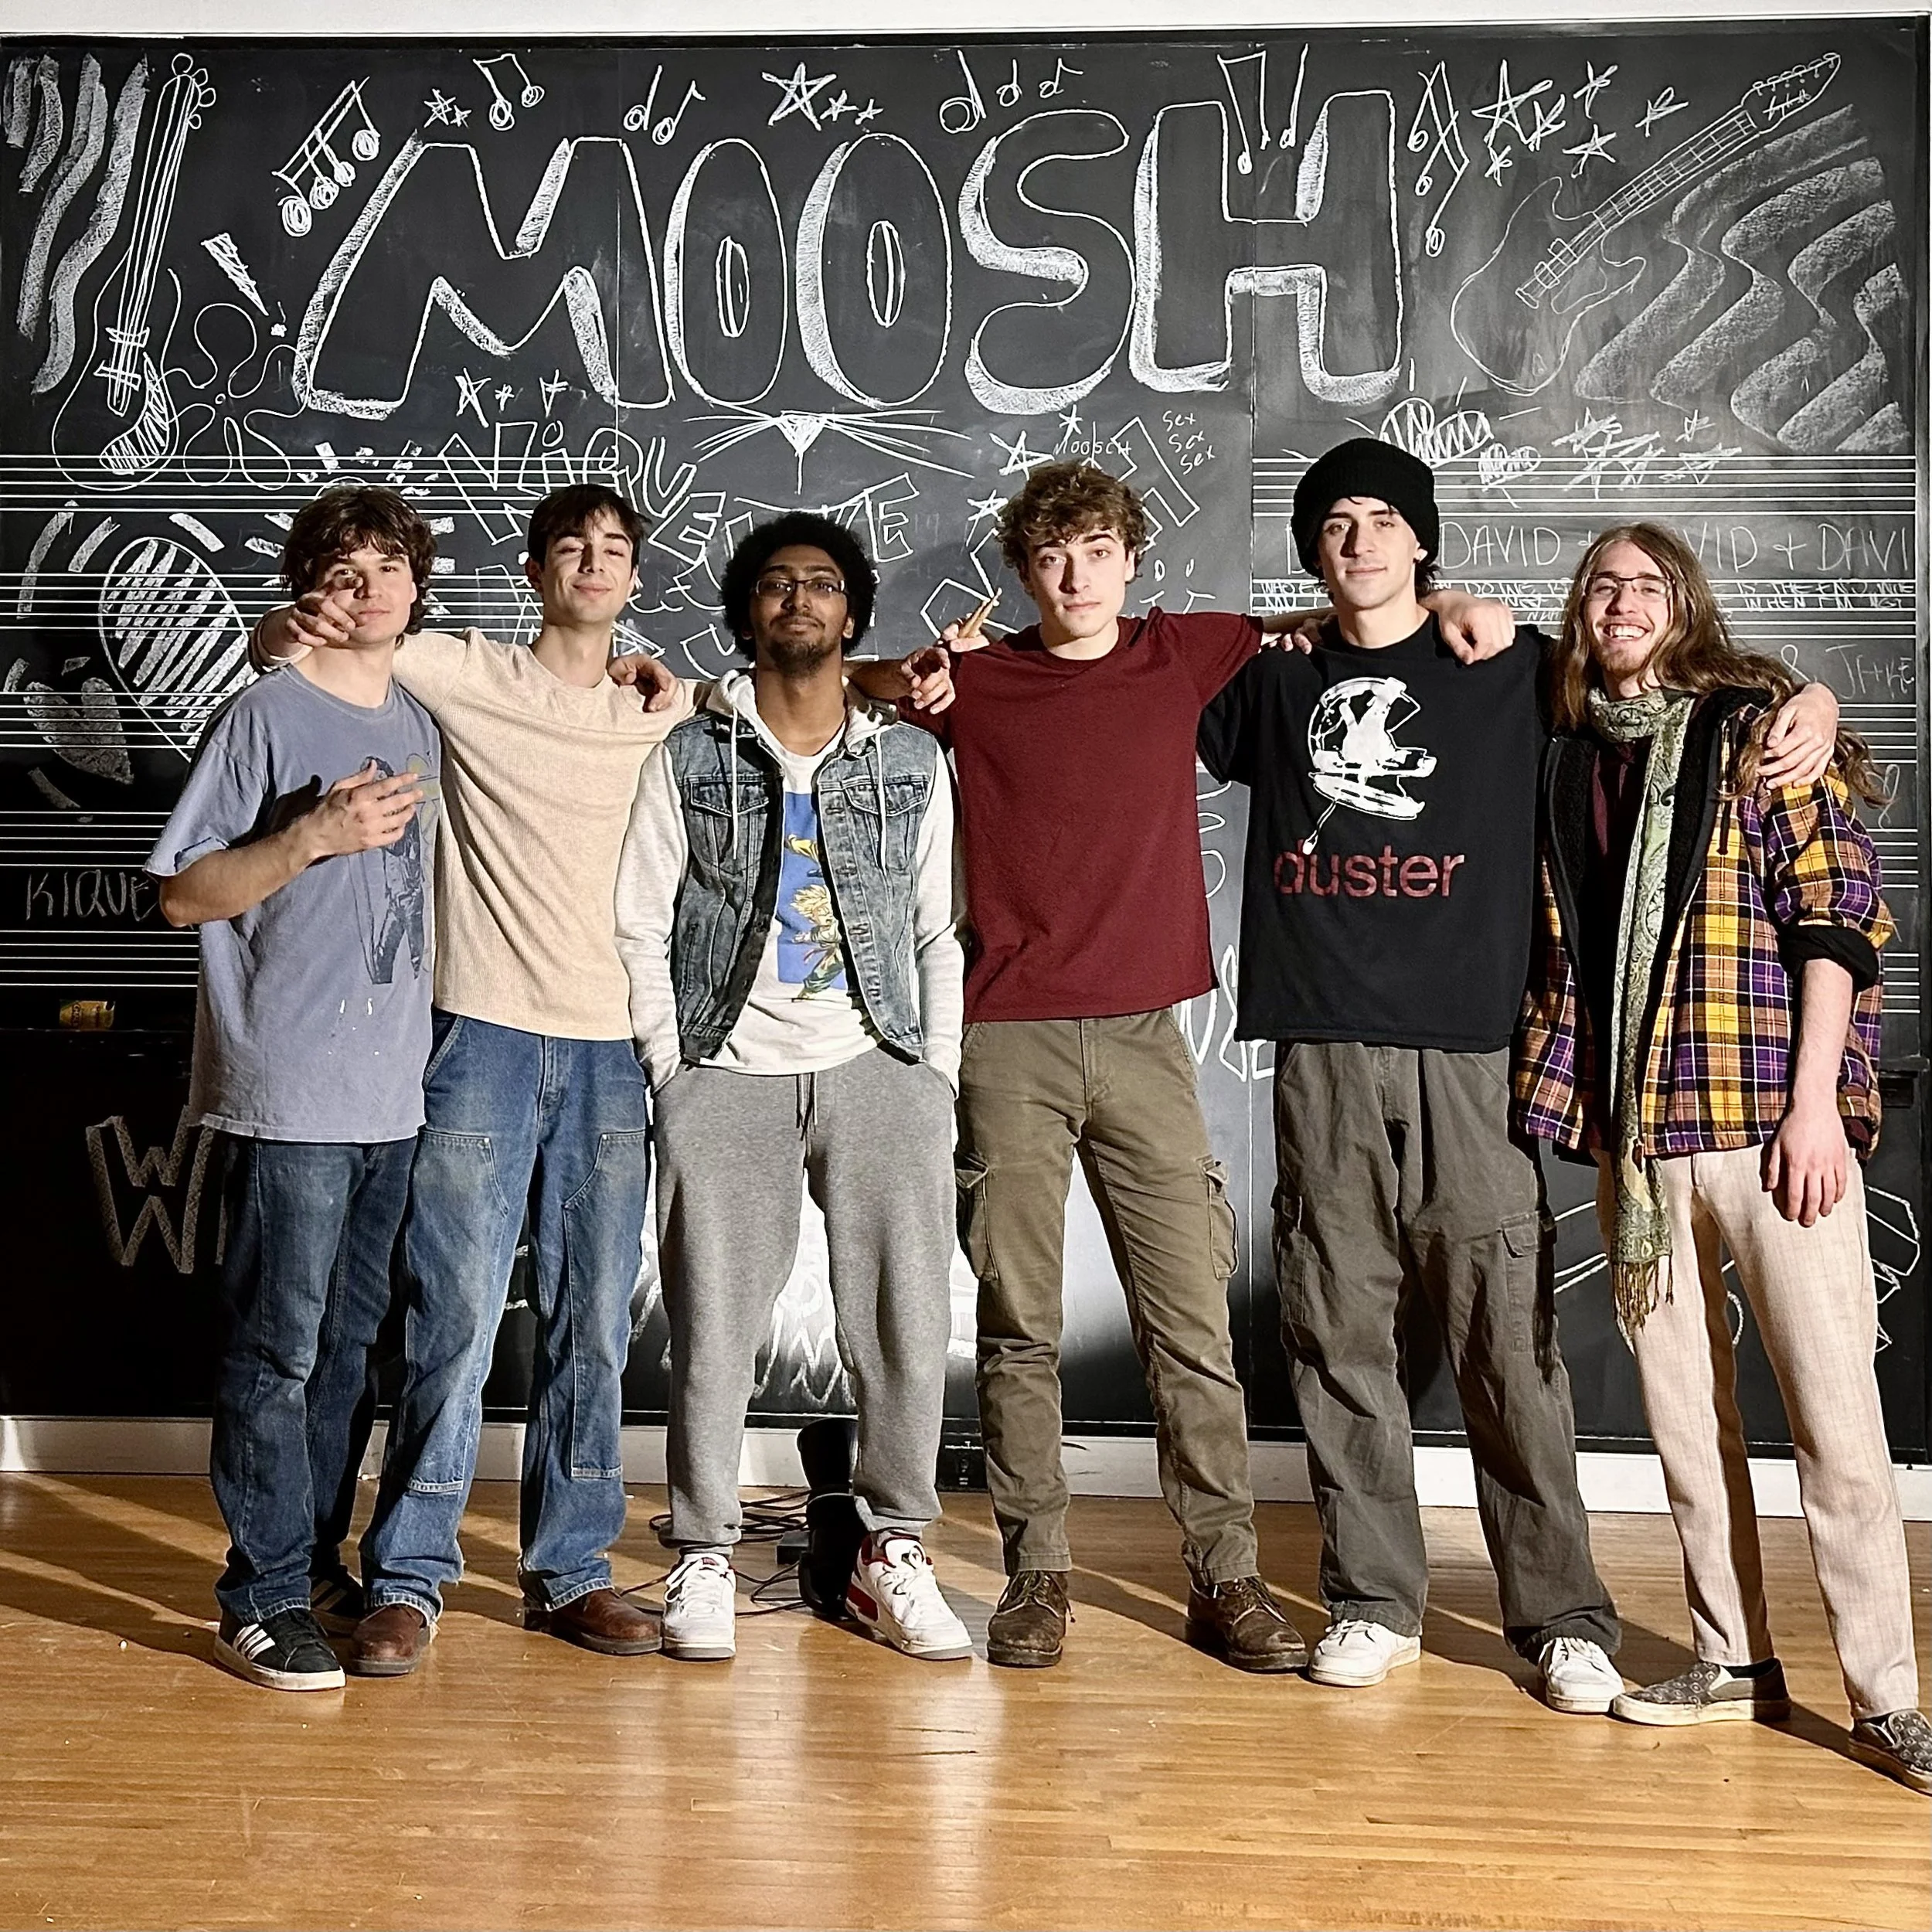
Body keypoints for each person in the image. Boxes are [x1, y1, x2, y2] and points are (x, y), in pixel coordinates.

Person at [1196, 440, 1840, 1709]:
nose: (1359, 539)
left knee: (1509, 1340)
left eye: (1384, 519)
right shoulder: (1269, 683)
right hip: (1321, 1048)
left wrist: (1810, 700)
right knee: (1336, 1331)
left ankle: (1562, 1616)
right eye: (1334, 523)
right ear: (1311, 549)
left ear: (1423, 541)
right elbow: (1122, 674)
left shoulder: (1513, 672)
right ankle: (1375, 1601)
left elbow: (1670, 686)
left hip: (1476, 1050)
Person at [918, 459, 1507, 1672]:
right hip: (1008, 1033)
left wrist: (1463, 605)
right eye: (1050, 556)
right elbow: (857, 686)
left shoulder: (1189, 652)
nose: (1075, 575)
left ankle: (1225, 1578)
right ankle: (1037, 1574)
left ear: (1132, 558)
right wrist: (919, 672)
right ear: (1024, 574)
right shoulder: (975, 680)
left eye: (1095, 549)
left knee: (1187, 1322)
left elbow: (1346, 624)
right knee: (1018, 1320)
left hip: (1145, 1037)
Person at [1514, 523, 1930, 1793]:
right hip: (1638, 1146)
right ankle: (1731, 1659)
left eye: (1648, 585)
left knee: (1838, 1427)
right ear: (1581, 616)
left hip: (1767, 1125)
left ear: (1683, 607)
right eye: (1602, 585)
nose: (1623, 602)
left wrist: (1817, 1106)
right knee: (1688, 1425)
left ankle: (1888, 1697)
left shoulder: (1758, 732)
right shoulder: (1566, 758)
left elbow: (1835, 923)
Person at [254, 484, 692, 1672]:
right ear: (536, 569)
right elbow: (313, 642)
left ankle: (571, 1572)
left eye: (613, 551)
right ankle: (409, 1578)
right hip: (481, 1037)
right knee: (445, 1320)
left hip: (609, 1052)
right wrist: (276, 634)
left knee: (592, 1325)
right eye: (571, 548)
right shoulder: (460, 671)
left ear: (634, 579)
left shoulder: (663, 710)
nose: (593, 565)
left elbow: (810, 687)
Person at [614, 513, 969, 1662]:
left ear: (853, 615)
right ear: (746, 615)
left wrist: (935, 1075)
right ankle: (704, 1556)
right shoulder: (689, 754)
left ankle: (892, 1549)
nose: (800, 602)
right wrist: (676, 1067)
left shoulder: (912, 760)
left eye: (822, 586)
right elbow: (641, 915)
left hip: (877, 1063)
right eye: (776, 586)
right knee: (713, 1327)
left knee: (906, 1323)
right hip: (727, 1065)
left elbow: (938, 928)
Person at [150, 485, 438, 1690]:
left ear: (419, 585)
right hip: (295, 1089)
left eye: (391, 567)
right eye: (345, 569)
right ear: (310, 586)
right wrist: (311, 837)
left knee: (346, 1353)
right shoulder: (263, 715)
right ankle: (256, 1598)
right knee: (279, 1350)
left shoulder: (426, 718)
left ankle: (310, 1565)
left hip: (396, 1091)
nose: (371, 589)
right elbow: (181, 895)